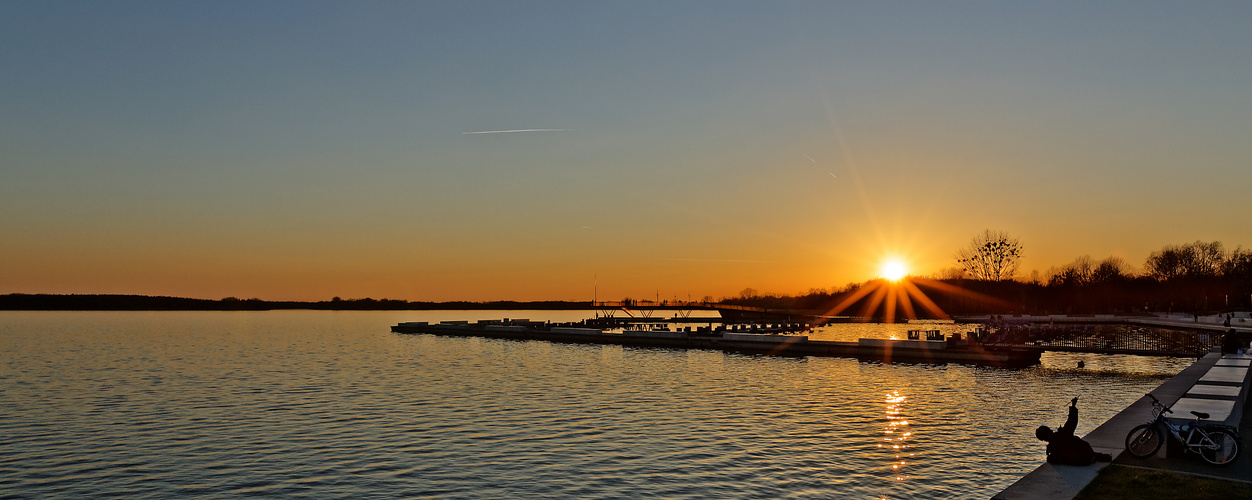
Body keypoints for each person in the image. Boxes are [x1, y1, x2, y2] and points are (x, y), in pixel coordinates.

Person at [1035, 397, 1113, 465]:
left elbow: (1071, 422)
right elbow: (1072, 421)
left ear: (1043, 440)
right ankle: (1099, 457)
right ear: (1050, 430)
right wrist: (1073, 406)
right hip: (1086, 455)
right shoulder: (1063, 434)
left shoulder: (1053, 447)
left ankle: (1095, 457)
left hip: (1084, 460)